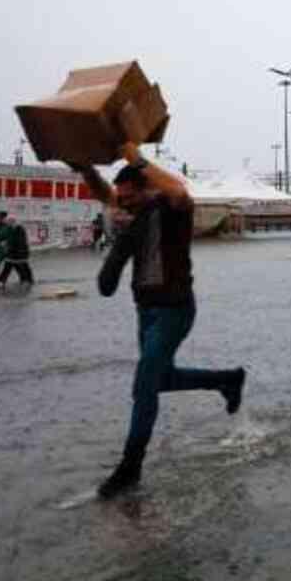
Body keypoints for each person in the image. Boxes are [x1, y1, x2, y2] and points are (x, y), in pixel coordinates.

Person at [72, 138, 246, 500]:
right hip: (146, 312)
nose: (124, 203)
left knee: (144, 386)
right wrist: (86, 169)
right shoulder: (134, 211)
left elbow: (179, 189)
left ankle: (130, 466)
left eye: (131, 196)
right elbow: (106, 194)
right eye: (123, 198)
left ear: (147, 189)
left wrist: (134, 156)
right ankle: (227, 380)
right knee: (161, 379)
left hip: (175, 310)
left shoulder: (173, 209)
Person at [0, 217, 34, 288]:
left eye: (8, 222)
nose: (7, 224)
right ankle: (27, 280)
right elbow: (8, 238)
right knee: (10, 266)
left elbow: (19, 241)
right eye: (7, 223)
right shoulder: (10, 229)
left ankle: (27, 280)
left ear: (12, 222)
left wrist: (7, 244)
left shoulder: (20, 229)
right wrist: (4, 243)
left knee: (21, 266)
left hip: (20, 252)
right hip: (13, 252)